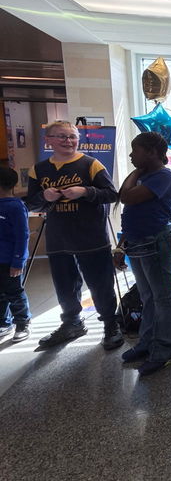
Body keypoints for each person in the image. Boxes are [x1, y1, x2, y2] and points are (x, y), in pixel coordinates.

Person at [27, 120, 123, 350]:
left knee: (100, 283)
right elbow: (31, 201)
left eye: (72, 136)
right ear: (48, 140)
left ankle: (111, 324)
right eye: (61, 136)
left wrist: (85, 191)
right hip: (58, 237)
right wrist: (44, 198)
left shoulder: (91, 164)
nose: (68, 141)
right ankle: (71, 323)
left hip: (91, 236)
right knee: (64, 285)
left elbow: (111, 194)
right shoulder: (38, 170)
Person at [114, 133, 171, 378]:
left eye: (135, 150)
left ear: (152, 152)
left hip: (156, 241)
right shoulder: (146, 175)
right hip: (138, 241)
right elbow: (128, 210)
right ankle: (147, 342)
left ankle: (165, 349)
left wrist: (136, 173)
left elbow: (127, 197)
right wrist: (121, 245)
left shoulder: (163, 175)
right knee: (147, 296)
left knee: (163, 298)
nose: (131, 155)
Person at [0, 166, 32, 343]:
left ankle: (23, 323)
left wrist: (18, 262)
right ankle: (4, 324)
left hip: (11, 261)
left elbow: (22, 236)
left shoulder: (15, 206)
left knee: (14, 293)